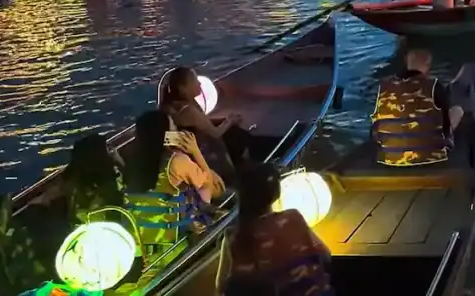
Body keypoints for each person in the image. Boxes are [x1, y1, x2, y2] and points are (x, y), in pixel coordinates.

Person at [226, 163, 332, 295]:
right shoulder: (293, 218)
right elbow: (326, 255)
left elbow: (230, 286)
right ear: (276, 192)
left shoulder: (236, 237)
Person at [125, 111, 218, 252]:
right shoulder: (177, 161)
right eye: (174, 129)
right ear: (167, 135)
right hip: (175, 245)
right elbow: (207, 188)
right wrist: (195, 151)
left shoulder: (131, 162)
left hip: (138, 246)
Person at [371, 50, 465, 166]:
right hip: (432, 156)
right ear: (427, 65)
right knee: (457, 110)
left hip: (389, 158)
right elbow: (445, 123)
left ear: (407, 63)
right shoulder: (433, 85)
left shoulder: (384, 87)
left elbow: (375, 129)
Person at [158, 66, 249, 186]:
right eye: (195, 80)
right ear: (183, 88)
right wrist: (230, 121)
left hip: (187, 152)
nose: (200, 83)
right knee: (238, 136)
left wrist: (222, 120)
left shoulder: (170, 106)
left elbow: (201, 123)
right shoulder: (188, 111)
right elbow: (215, 133)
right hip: (202, 156)